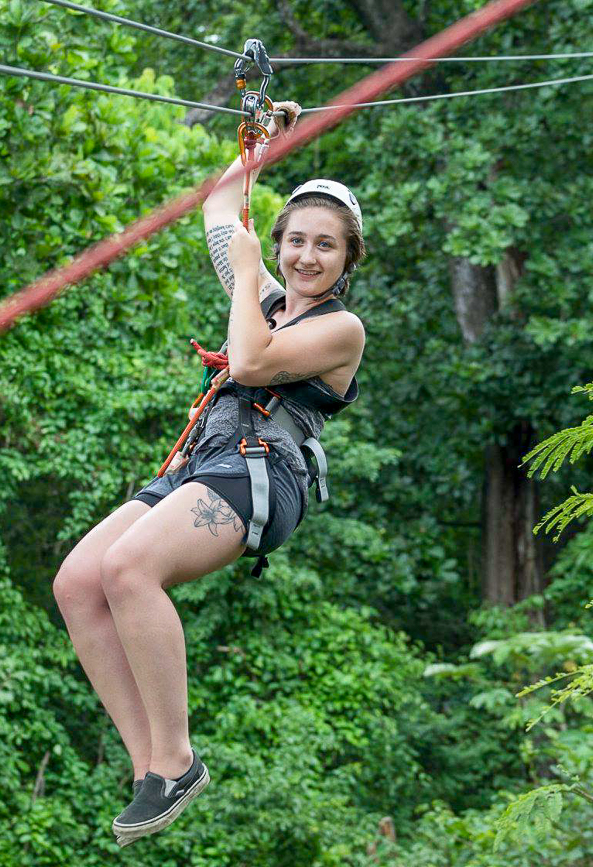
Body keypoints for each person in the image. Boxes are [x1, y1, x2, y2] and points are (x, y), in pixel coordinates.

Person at [50, 100, 366, 846]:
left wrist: (251, 272)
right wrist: (262, 144)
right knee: (77, 581)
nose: (306, 256)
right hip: (205, 462)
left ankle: (180, 754)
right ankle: (153, 771)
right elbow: (220, 205)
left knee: (129, 568)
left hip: (264, 473)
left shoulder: (338, 329)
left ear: (350, 260)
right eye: (295, 240)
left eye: (326, 246)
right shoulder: (258, 295)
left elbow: (253, 363)